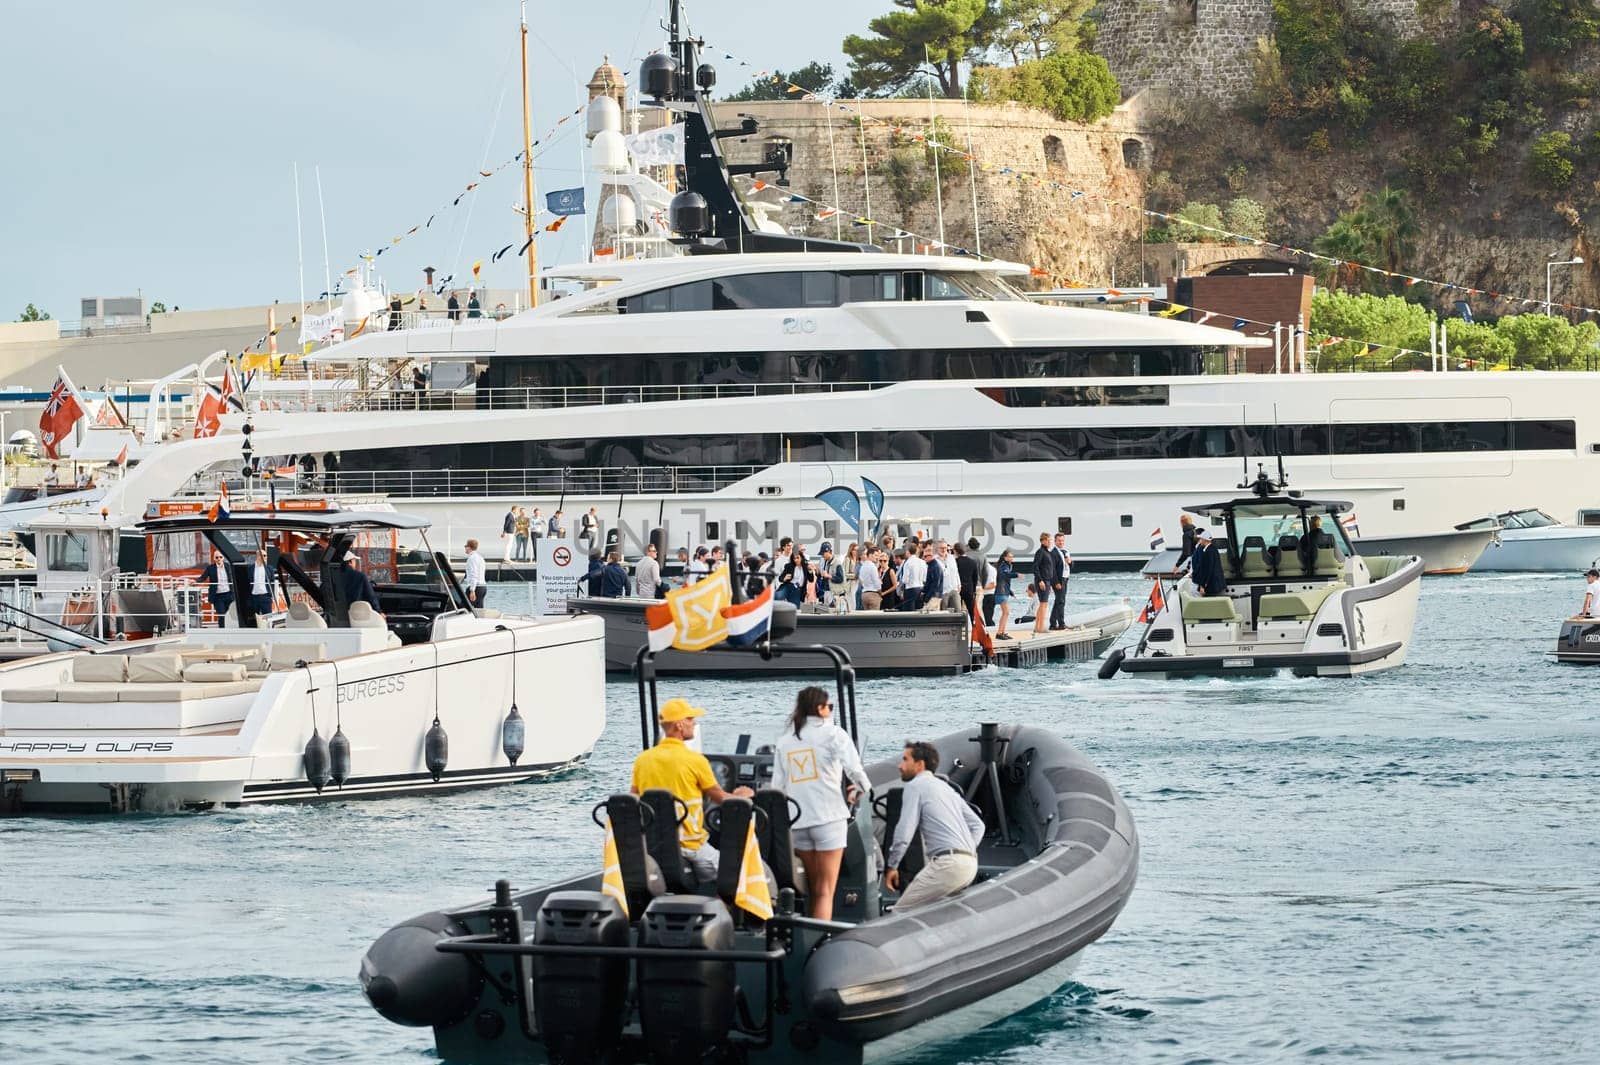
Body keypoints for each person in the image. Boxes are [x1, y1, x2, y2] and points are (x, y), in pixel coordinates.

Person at [771, 687, 871, 920]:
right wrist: (861, 790)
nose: (831, 711)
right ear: (820, 708)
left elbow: (777, 787)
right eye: (830, 706)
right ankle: (820, 940)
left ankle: (806, 935)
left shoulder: (785, 741)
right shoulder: (833, 734)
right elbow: (855, 770)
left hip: (798, 823)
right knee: (826, 892)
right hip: (828, 818)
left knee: (812, 891)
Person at [631, 698, 753, 882]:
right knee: (738, 877)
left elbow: (634, 798)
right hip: (691, 846)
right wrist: (742, 795)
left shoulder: (643, 760)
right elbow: (721, 799)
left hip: (653, 844)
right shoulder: (695, 760)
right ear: (679, 725)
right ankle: (720, 908)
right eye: (690, 719)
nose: (694, 723)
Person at [883, 741, 985, 911]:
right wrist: (965, 852)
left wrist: (892, 866)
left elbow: (904, 833)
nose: (900, 766)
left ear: (919, 764)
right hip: (969, 865)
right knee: (941, 913)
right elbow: (978, 825)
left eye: (905, 760)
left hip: (947, 865)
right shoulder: (946, 788)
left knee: (900, 913)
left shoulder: (915, 786)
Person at [200, 550, 235, 622]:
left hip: (229, 594)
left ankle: (230, 631)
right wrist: (195, 581)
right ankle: (222, 632)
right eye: (217, 557)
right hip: (218, 596)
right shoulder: (210, 568)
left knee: (231, 616)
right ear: (214, 558)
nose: (219, 559)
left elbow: (235, 576)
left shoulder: (228, 566)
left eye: (220, 557)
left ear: (223, 558)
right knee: (221, 615)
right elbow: (203, 577)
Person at [1031, 533, 1056, 635]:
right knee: (1043, 605)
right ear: (1042, 541)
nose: (1050, 542)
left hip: (1047, 581)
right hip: (1042, 581)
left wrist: (1050, 584)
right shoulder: (1040, 552)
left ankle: (1037, 627)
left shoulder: (1047, 552)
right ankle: (1040, 628)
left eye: (1050, 540)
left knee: (1043, 604)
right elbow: (1035, 567)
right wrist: (1040, 580)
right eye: (1047, 540)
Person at [1190, 528, 1227, 596]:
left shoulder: (1208, 551)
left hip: (1213, 585)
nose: (1200, 541)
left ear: (1205, 539)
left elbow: (1208, 570)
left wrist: (1202, 586)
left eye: (1201, 539)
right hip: (1217, 584)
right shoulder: (1213, 549)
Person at [970, 537, 996, 626]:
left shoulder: (968, 556)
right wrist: (983, 584)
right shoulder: (983, 556)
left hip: (970, 585)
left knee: (968, 607)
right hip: (979, 585)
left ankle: (970, 625)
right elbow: (985, 572)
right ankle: (981, 626)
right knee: (979, 608)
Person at [247, 547, 276, 618]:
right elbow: (246, 582)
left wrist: (272, 596)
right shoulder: (249, 568)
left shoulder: (270, 568)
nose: (264, 557)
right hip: (253, 598)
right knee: (253, 620)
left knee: (268, 619)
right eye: (262, 555)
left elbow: (272, 582)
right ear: (257, 556)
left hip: (266, 597)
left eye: (265, 555)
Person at [1049, 532, 1070, 630]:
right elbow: (1052, 569)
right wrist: (1056, 582)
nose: (1061, 542)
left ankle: (1053, 623)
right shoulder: (1053, 553)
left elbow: (1069, 565)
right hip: (1059, 580)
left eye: (1062, 540)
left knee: (1060, 601)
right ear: (1055, 541)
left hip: (1065, 578)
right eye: (1059, 541)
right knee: (1060, 601)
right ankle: (1061, 623)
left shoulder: (1065, 552)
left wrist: (1070, 562)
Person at [994, 549, 1016, 639]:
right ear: (1005, 557)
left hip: (1004, 591)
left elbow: (1005, 580)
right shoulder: (1004, 566)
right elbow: (1005, 576)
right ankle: (999, 632)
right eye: (1010, 556)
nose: (1011, 558)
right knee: (1006, 612)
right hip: (1001, 591)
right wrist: (1017, 575)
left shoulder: (1007, 565)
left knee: (1005, 612)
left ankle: (1002, 632)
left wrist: (1010, 592)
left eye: (1012, 556)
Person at [897, 543, 925, 611]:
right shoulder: (922, 562)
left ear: (907, 551)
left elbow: (905, 580)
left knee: (909, 611)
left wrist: (900, 589)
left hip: (910, 589)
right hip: (920, 587)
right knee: (919, 610)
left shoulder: (908, 562)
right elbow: (925, 577)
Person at [954, 542, 979, 619]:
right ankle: (973, 626)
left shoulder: (955, 562)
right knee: (971, 611)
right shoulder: (972, 562)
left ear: (955, 551)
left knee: (957, 610)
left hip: (958, 589)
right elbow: (975, 577)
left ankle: (959, 627)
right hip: (969, 589)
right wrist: (974, 590)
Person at [462, 538, 488, 608]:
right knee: (479, 611)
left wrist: (472, 590)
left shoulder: (471, 558)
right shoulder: (480, 558)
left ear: (469, 547)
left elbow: (474, 575)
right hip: (483, 587)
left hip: (476, 588)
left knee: (463, 608)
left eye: (465, 546)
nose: (465, 548)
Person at [936, 541, 960, 611]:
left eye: (945, 548)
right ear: (937, 549)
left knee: (957, 611)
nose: (943, 550)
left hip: (954, 589)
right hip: (942, 590)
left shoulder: (952, 558)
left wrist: (959, 583)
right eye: (941, 548)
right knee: (944, 612)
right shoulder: (935, 560)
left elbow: (956, 571)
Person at [919, 543, 944, 612]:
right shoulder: (931, 566)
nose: (924, 558)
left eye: (926, 556)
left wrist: (927, 597)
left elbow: (935, 584)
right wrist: (923, 591)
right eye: (923, 556)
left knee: (931, 617)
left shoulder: (935, 567)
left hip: (934, 597)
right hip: (933, 596)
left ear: (931, 556)